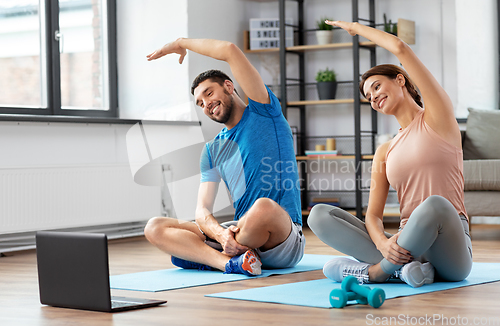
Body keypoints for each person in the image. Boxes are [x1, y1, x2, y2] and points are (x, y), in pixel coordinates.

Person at [308, 21, 472, 288]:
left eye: (375, 87)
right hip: (406, 246)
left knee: (435, 204)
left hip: (450, 248)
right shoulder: (385, 150)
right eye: (367, 97)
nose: (372, 98)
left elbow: (400, 47)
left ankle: (378, 272)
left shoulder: (438, 118)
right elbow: (372, 216)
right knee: (318, 215)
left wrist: (355, 29)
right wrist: (384, 244)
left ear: (400, 80)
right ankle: (409, 270)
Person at [143, 38, 304, 276]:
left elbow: (229, 50)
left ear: (228, 86)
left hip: (283, 238)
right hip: (238, 234)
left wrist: (180, 43)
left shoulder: (264, 112)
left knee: (263, 208)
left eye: (209, 93)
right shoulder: (212, 149)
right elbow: (202, 210)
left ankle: (207, 255)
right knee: (155, 227)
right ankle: (229, 263)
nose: (206, 104)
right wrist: (220, 233)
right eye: (200, 103)